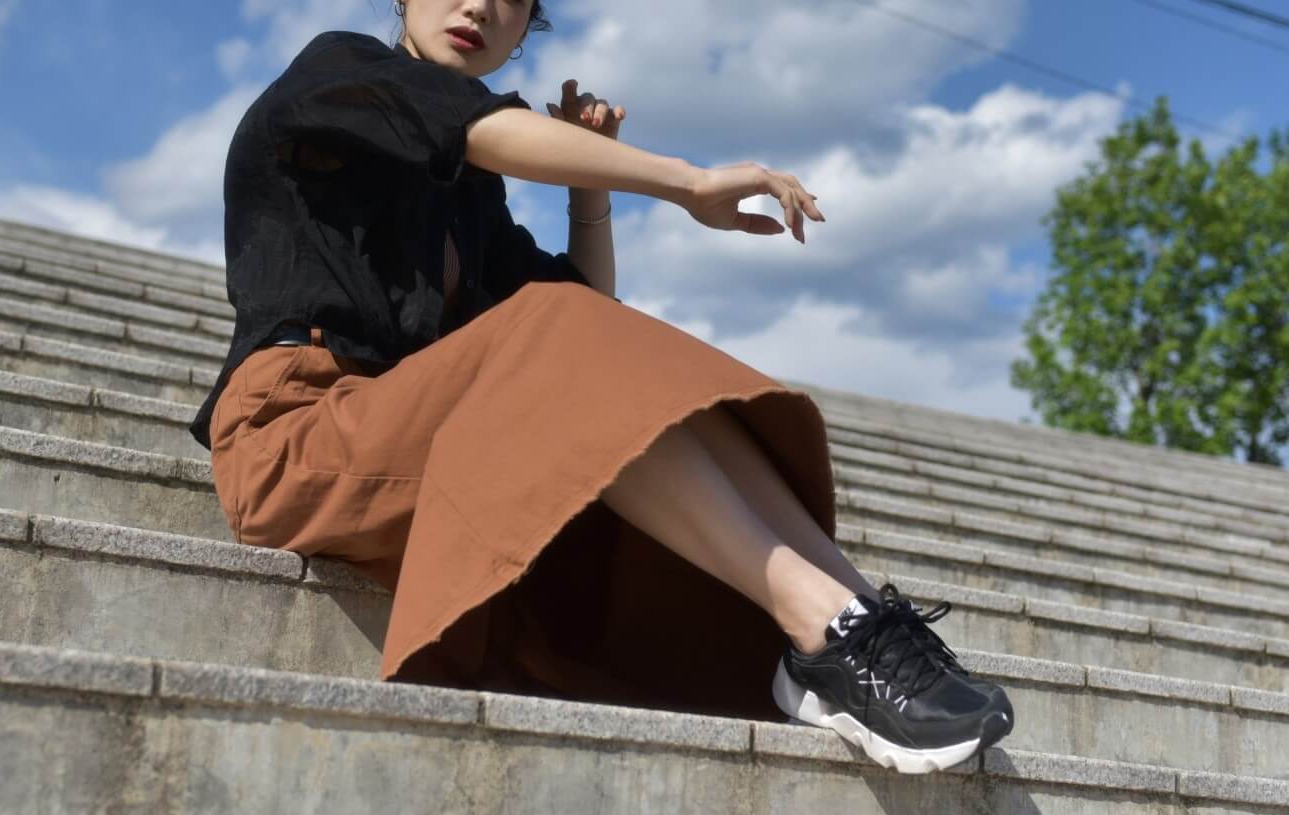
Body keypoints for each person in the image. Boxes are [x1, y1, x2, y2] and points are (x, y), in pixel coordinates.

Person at [193, 0, 1015, 774]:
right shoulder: (339, 71)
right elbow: (475, 132)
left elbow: (591, 324)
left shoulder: (471, 199)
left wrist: (592, 192)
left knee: (631, 373)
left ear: (527, 28)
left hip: (403, 436)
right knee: (569, 348)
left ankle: (861, 621)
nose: (480, 7)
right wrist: (686, 182)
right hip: (296, 434)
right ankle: (823, 632)